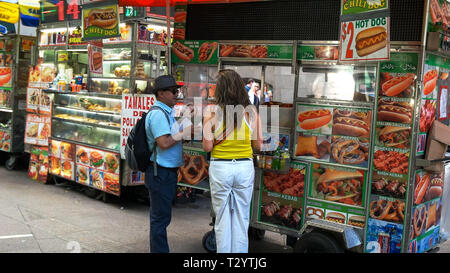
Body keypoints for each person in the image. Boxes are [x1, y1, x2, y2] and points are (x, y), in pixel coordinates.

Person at [202, 69, 263, 253]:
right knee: (241, 218)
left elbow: (207, 147)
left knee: (222, 218)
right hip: (244, 167)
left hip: (221, 167)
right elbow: (259, 145)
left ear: (219, 89)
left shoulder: (211, 112)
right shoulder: (251, 112)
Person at [144, 74, 191, 253]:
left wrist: (182, 136)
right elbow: (163, 143)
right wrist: (183, 132)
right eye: (173, 91)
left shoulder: (166, 112)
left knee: (162, 217)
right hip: (160, 173)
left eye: (176, 90)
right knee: (159, 219)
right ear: (161, 93)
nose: (176, 94)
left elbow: (171, 139)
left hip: (165, 172)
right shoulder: (157, 114)